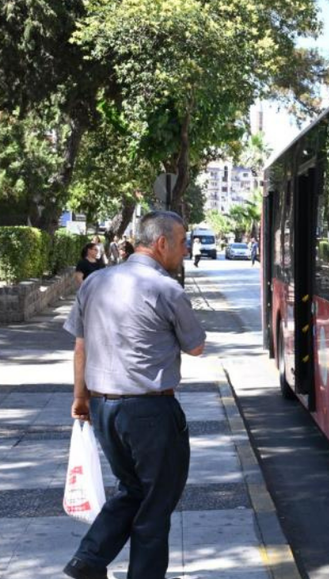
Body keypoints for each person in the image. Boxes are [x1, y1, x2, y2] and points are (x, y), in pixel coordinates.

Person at [62, 211, 205, 579]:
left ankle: (88, 560)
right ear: (161, 243)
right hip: (150, 410)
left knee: (133, 489)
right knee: (156, 504)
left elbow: (81, 345)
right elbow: (196, 346)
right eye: (182, 242)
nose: (186, 250)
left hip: (103, 407)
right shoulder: (167, 289)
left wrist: (81, 398)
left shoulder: (95, 282)